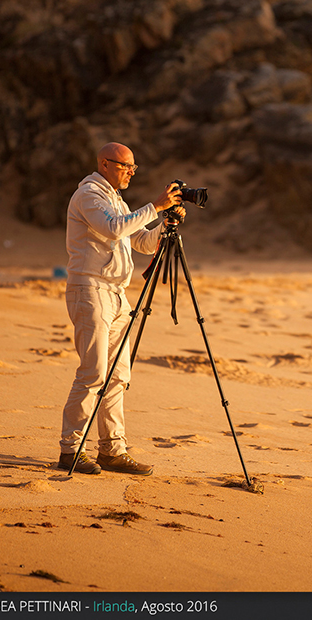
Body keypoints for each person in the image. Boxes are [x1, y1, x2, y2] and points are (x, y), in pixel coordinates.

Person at [58, 142, 186, 475]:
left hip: (116, 294)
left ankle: (112, 450)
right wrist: (155, 205)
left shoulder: (116, 199)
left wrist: (165, 225)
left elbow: (141, 241)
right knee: (93, 373)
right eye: (125, 166)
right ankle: (71, 450)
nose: (130, 171)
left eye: (133, 167)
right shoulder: (89, 195)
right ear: (104, 163)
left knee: (118, 376)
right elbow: (113, 228)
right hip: (90, 290)